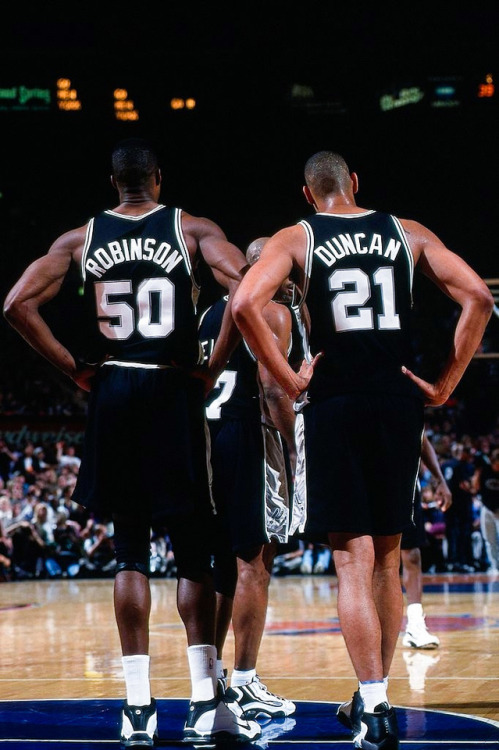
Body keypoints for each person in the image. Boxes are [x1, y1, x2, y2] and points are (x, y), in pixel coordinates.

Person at [3, 137, 261, 746]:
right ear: (158, 179)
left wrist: (74, 367)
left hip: (114, 390)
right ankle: (204, 701)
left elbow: (16, 304)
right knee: (194, 549)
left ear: (113, 183)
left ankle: (137, 706)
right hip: (172, 390)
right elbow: (245, 292)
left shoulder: (78, 240)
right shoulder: (192, 229)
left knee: (129, 551)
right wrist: (214, 363)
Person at [232, 151, 494, 749]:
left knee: (351, 559)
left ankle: (373, 707)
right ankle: (378, 696)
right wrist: (448, 383)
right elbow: (478, 296)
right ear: (355, 183)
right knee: (387, 561)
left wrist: (289, 376)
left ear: (307, 193)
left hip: (337, 401)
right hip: (397, 401)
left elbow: (245, 304)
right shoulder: (409, 232)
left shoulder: (297, 237)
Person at [199, 237, 297, 720]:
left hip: (205, 441)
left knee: (219, 567)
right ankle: (245, 681)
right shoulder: (270, 309)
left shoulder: (203, 313)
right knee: (253, 564)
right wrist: (294, 454)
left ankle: (213, 676)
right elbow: (273, 391)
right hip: (249, 437)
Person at [401, 433, 452, 649]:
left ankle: (414, 624)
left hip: (404, 484)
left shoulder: (411, 401)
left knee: (412, 555)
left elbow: (420, 436)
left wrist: (439, 479)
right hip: (364, 478)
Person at [474, 447, 499, 572]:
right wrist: (478, 472)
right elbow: (475, 487)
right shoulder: (485, 471)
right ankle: (494, 566)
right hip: (486, 508)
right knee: (489, 539)